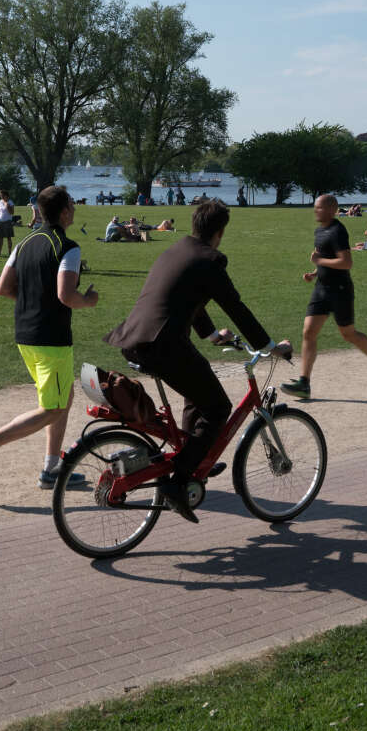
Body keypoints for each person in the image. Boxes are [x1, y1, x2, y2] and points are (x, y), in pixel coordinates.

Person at [106, 199, 285, 523]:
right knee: (217, 407)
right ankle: (178, 483)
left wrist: (212, 335)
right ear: (219, 232)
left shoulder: (178, 250)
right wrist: (269, 346)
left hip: (134, 338)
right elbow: (236, 306)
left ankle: (193, 456)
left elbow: (190, 297)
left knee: (196, 390)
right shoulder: (210, 259)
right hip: (162, 345)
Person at [0, 186, 99, 491]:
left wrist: (34, 303)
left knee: (64, 397)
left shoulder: (24, 243)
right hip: (52, 339)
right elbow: (66, 295)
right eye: (72, 205)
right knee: (53, 408)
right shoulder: (67, 246)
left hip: (25, 334)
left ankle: (52, 468)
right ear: (63, 212)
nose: (75, 210)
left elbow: (3, 287)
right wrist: (88, 300)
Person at [281, 194, 367, 401]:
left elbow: (346, 262)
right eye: (315, 207)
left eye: (319, 208)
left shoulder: (338, 231)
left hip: (340, 290)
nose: (315, 211)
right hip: (321, 288)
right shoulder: (319, 231)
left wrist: (320, 260)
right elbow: (323, 257)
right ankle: (304, 383)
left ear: (331, 210)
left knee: (348, 334)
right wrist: (314, 272)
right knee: (308, 332)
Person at [0, 189, 16, 256]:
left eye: (1, 195)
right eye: (0, 195)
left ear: (5, 195)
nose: (0, 196)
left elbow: (12, 213)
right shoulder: (0, 201)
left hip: (7, 222)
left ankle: (10, 252)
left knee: (8, 238)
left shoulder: (10, 202)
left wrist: (8, 207)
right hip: (0, 222)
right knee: (0, 238)